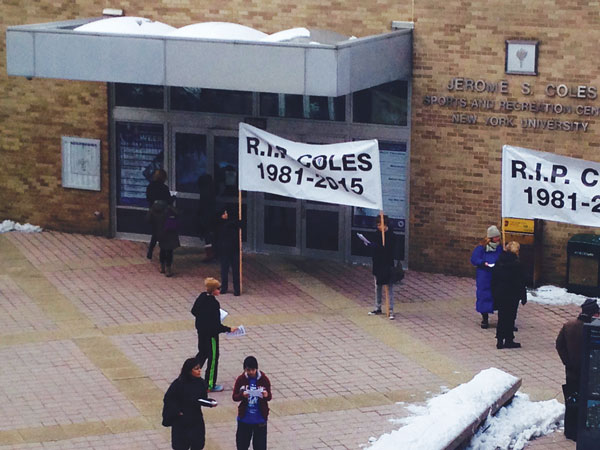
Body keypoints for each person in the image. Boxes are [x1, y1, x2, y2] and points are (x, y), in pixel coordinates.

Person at [556, 298, 600, 441]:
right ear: (594, 313)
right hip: (591, 373)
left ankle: (570, 430)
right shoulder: (593, 329)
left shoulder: (569, 326)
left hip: (571, 371)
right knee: (587, 401)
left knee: (572, 399)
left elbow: (559, 345)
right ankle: (585, 430)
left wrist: (567, 362)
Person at [191, 277, 238, 392]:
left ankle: (190, 375)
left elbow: (194, 311)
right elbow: (216, 326)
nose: (219, 290)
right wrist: (228, 329)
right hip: (211, 336)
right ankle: (210, 384)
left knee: (202, 354)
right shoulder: (214, 304)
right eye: (218, 288)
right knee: (213, 358)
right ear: (213, 290)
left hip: (201, 333)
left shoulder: (202, 297)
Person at [162, 357, 217, 450]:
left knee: (198, 443)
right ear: (189, 371)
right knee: (181, 446)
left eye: (199, 368)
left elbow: (201, 399)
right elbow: (168, 399)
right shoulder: (178, 384)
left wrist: (209, 403)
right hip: (181, 421)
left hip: (195, 419)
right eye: (196, 369)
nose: (199, 371)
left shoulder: (201, 383)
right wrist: (177, 411)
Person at [491, 241, 527, 349]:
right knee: (510, 317)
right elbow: (521, 282)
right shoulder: (517, 265)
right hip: (512, 295)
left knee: (502, 316)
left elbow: (494, 279)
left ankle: (500, 340)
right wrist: (523, 296)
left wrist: (494, 293)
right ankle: (509, 339)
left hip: (501, 293)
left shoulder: (499, 262)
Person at [232, 356, 272, 450]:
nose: (250, 372)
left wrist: (266, 395)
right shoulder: (241, 379)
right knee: (242, 445)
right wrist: (242, 395)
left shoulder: (264, 379)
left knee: (260, 446)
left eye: (253, 370)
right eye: (248, 370)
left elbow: (269, 396)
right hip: (244, 419)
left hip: (260, 419)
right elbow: (234, 397)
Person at [364, 215, 397, 320]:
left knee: (389, 287)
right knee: (377, 286)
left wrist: (378, 247)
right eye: (377, 225)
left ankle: (390, 309)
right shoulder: (376, 234)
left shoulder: (391, 235)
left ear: (385, 225)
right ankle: (378, 307)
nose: (378, 227)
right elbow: (376, 248)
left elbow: (389, 250)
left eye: (380, 225)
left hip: (387, 263)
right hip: (378, 263)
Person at [470, 225, 503, 329]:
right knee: (484, 296)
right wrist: (483, 263)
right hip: (484, 275)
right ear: (491, 238)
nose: (498, 239)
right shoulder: (481, 248)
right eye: (497, 237)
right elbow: (474, 259)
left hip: (496, 275)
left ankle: (500, 318)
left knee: (497, 296)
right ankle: (485, 319)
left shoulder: (499, 248)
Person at [146, 169, 173, 260]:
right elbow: (169, 201)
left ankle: (150, 250)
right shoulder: (164, 188)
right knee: (163, 233)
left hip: (153, 213)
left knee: (155, 233)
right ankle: (163, 255)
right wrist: (174, 197)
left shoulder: (150, 186)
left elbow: (148, 198)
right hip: (162, 214)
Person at [216, 207, 241, 296]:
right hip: (225, 250)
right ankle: (224, 287)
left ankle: (237, 289)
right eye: (224, 213)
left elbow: (239, 225)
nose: (226, 214)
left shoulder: (233, 224)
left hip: (234, 250)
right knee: (224, 270)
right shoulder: (220, 224)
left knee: (235, 270)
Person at [198, 174, 217, 262]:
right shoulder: (212, 191)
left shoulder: (205, 193)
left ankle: (210, 255)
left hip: (206, 217)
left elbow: (203, 206)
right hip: (210, 216)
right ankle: (212, 253)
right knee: (210, 235)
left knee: (207, 237)